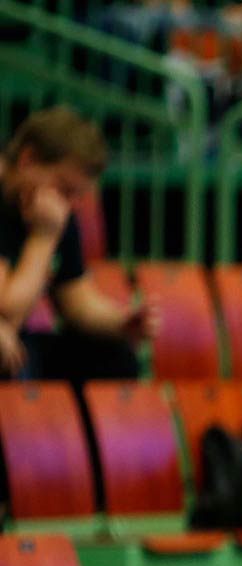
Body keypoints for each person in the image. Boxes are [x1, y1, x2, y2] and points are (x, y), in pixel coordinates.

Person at [0, 108, 156, 383]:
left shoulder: (56, 210)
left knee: (114, 357)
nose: (68, 204)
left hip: (17, 341)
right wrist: (44, 238)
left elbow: (77, 302)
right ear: (27, 159)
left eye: (77, 195)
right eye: (63, 188)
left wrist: (121, 323)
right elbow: (8, 309)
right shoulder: (42, 220)